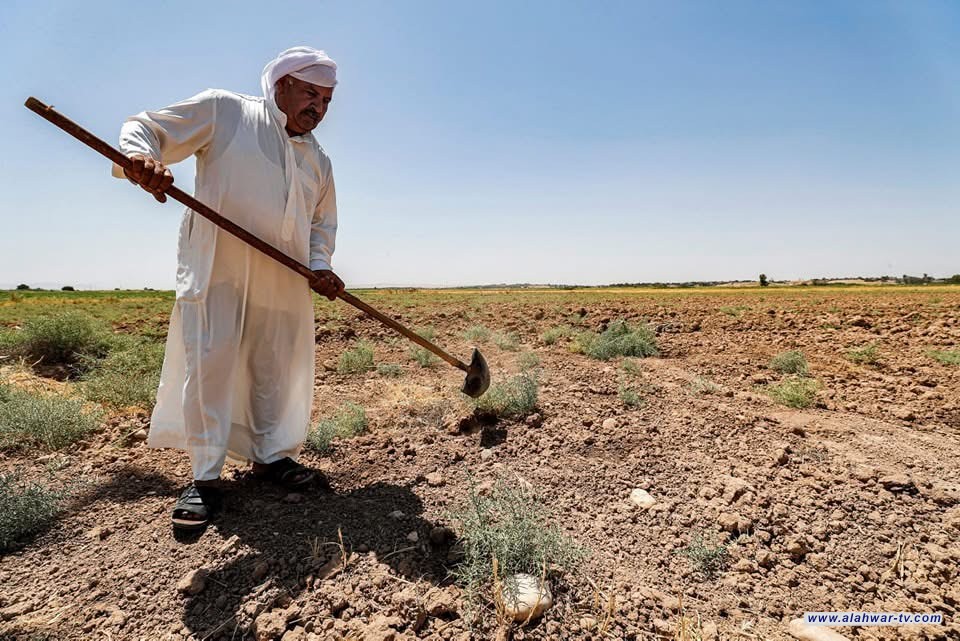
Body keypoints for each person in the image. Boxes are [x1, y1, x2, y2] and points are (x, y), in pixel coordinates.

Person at [113, 46, 345, 531]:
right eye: (310, 94)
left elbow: (321, 224)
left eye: (326, 100)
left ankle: (273, 457)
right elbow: (147, 127)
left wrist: (320, 265)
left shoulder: (318, 160)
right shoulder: (226, 111)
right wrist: (142, 157)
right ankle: (204, 477)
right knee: (211, 366)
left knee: (275, 367)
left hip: (284, 278)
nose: (318, 108)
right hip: (219, 267)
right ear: (280, 85)